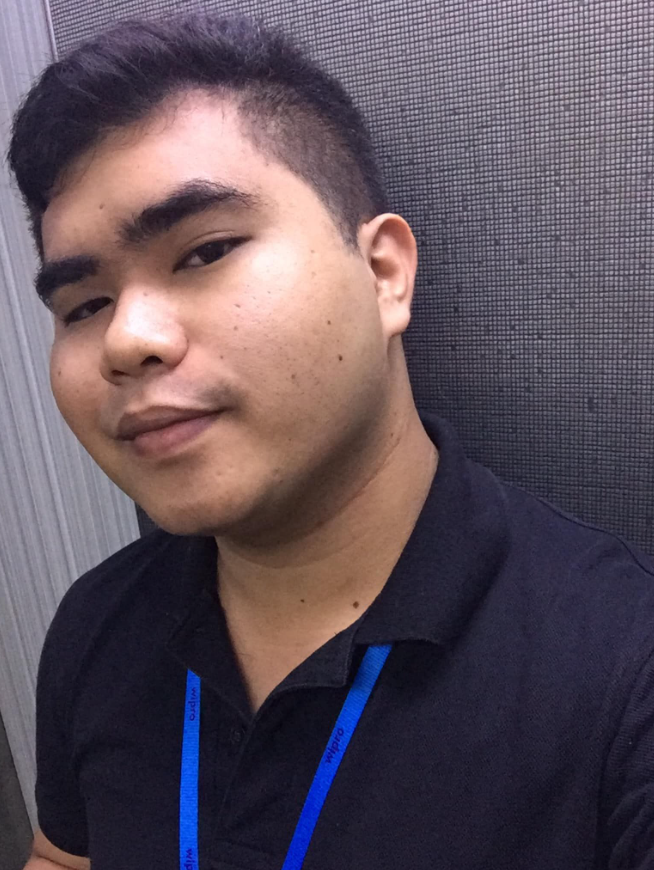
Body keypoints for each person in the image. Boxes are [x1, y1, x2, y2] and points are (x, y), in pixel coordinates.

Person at [8, 11, 654, 870]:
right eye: (84, 305)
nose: (127, 340)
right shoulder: (98, 624)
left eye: (204, 252)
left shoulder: (620, 673)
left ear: (383, 273)